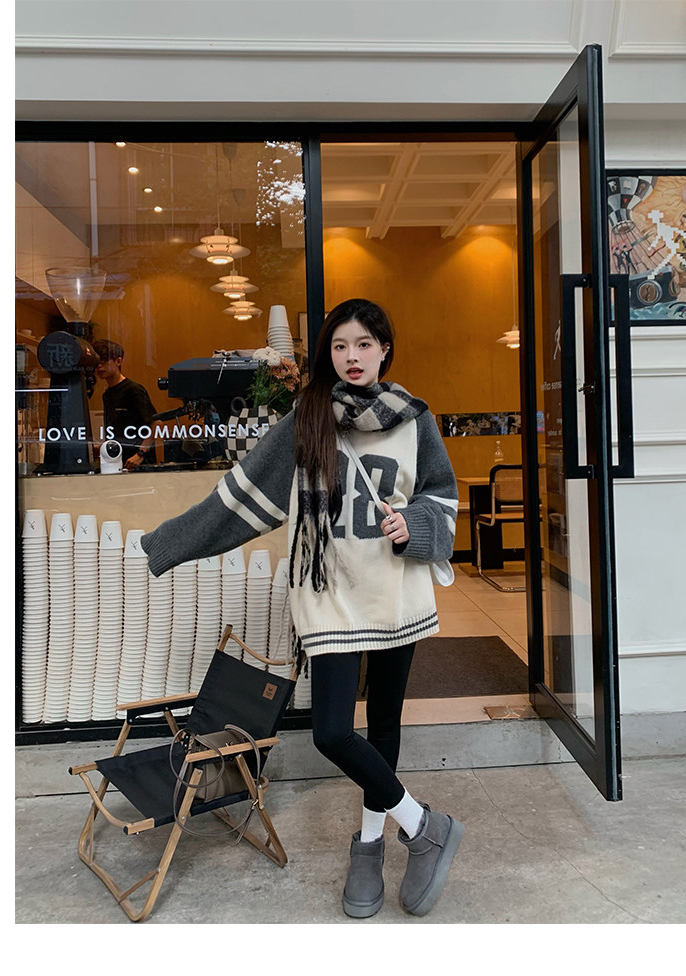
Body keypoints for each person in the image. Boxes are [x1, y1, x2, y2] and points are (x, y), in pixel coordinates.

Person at [140, 299, 464, 918]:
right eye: (340, 346)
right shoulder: (306, 419)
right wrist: (168, 544)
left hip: (395, 590)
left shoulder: (415, 420)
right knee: (332, 731)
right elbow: (237, 499)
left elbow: (440, 495)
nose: (352, 357)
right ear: (327, 353)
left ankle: (370, 844)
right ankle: (424, 826)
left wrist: (415, 525)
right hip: (329, 594)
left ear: (384, 348)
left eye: (363, 344)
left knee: (385, 725)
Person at [92, 339, 157, 469]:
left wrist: (140, 454)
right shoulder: (107, 394)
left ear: (118, 361)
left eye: (104, 361)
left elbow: (156, 424)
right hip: (117, 461)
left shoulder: (133, 390)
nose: (99, 366)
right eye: (97, 363)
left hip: (137, 463)